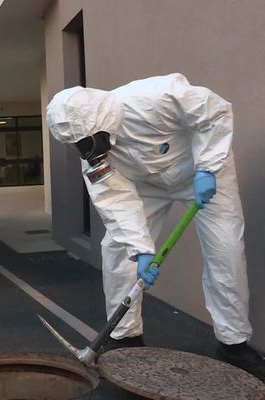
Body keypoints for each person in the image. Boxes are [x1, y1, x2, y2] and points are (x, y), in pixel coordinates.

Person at [46, 73, 264, 380]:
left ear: (101, 121)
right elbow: (116, 202)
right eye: (78, 145)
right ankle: (125, 338)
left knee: (225, 251)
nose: (86, 150)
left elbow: (213, 112)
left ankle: (233, 344)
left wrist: (208, 167)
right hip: (145, 184)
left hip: (202, 173)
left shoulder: (156, 97)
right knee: (118, 249)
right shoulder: (93, 155)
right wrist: (140, 251)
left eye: (86, 141)